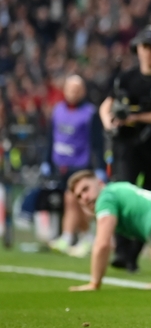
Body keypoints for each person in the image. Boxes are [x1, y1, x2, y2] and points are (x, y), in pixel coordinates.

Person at [99, 25, 151, 273]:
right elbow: (106, 105)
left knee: (149, 201)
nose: (147, 52)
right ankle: (122, 252)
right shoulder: (126, 77)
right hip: (127, 147)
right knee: (124, 193)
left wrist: (138, 117)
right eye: (144, 47)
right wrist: (109, 123)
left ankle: (133, 254)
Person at [45, 75, 106, 257]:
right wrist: (46, 161)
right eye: (71, 89)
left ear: (83, 91)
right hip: (61, 165)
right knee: (75, 203)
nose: (74, 93)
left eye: (77, 90)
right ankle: (86, 237)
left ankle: (68, 236)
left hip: (81, 164)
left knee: (72, 199)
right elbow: (51, 137)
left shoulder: (90, 113)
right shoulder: (57, 111)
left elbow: (98, 142)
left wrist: (100, 166)